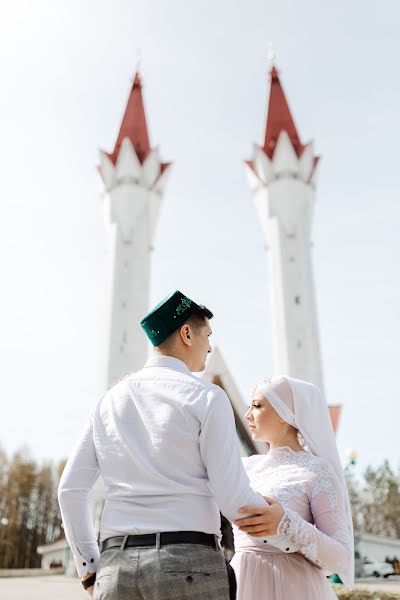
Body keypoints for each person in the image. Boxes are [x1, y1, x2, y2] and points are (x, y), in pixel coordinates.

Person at [58, 291, 275, 600]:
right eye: (207, 336)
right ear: (187, 333)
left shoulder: (109, 401)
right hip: (188, 563)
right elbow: (233, 498)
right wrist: (288, 523)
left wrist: (90, 567)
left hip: (115, 568)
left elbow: (70, 490)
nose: (210, 347)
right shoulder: (206, 397)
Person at [230, 376, 354, 599]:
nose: (247, 414)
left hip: (296, 588)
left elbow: (339, 559)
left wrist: (286, 524)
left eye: (257, 406)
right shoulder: (241, 467)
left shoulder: (317, 471)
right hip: (242, 583)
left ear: (284, 412)